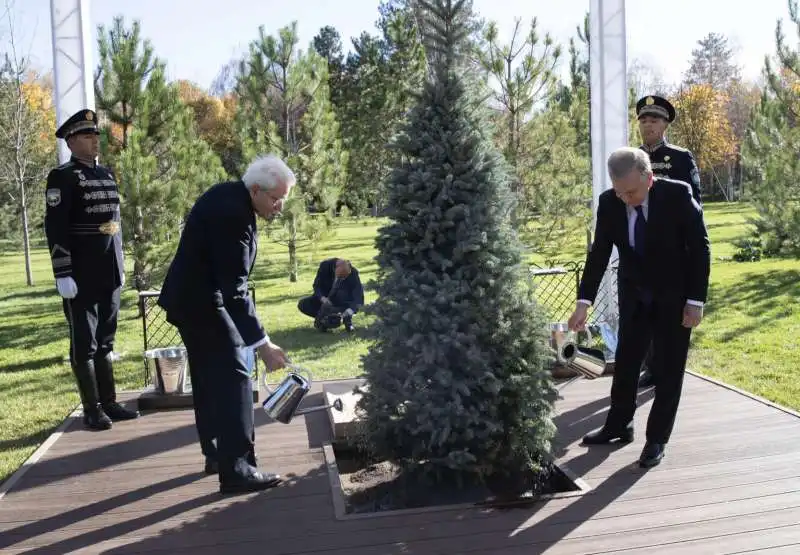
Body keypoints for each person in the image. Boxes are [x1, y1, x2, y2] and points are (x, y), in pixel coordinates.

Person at [158, 154, 294, 494]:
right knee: (234, 375)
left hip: (192, 300)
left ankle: (217, 452)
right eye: (276, 199)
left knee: (209, 377)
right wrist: (263, 346)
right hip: (202, 303)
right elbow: (234, 291)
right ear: (256, 190)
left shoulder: (232, 198)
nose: (280, 206)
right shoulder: (233, 214)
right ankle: (238, 469)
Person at [567, 147, 710, 468]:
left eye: (631, 191)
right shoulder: (610, 202)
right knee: (627, 364)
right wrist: (583, 302)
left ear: (649, 178)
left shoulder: (678, 196)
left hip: (675, 298)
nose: (625, 198)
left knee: (669, 371)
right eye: (620, 192)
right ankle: (619, 426)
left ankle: (657, 439)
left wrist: (695, 301)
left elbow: (700, 248)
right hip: (634, 295)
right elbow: (599, 254)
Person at [44, 108, 140, 431]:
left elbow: (115, 224)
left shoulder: (107, 174)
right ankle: (91, 408)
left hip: (109, 270)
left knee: (106, 339)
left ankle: (110, 401)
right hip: (81, 273)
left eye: (95, 135)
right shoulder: (63, 177)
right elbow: (55, 228)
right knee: (84, 342)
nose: (94, 141)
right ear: (71, 141)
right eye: (87, 136)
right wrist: (62, 273)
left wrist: (120, 262)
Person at [635, 94, 703, 389]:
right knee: (644, 311)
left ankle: (669, 368)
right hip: (640, 248)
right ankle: (652, 367)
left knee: (671, 315)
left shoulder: (679, 157)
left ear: (665, 125)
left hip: (674, 249)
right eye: (644, 120)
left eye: (654, 120)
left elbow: (694, 203)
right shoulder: (631, 157)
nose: (648, 125)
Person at [298, 258, 364, 332]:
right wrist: (322, 298)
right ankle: (323, 320)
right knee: (303, 304)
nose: (342, 279)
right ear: (335, 268)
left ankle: (343, 320)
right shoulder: (325, 266)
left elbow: (358, 296)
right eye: (340, 276)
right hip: (325, 300)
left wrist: (349, 311)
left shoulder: (353, 272)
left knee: (343, 298)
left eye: (344, 277)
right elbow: (316, 286)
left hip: (341, 304)